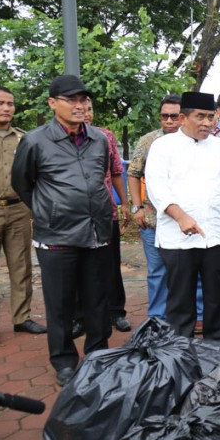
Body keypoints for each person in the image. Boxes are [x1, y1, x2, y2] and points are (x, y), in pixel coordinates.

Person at [11, 75, 113, 386]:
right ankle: (64, 361)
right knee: (60, 304)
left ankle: (98, 355)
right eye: (72, 100)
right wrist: (49, 210)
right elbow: (22, 182)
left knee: (97, 301)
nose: (80, 106)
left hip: (96, 232)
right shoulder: (35, 141)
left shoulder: (99, 139)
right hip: (56, 236)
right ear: (53, 103)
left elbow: (99, 175)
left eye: (84, 100)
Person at [144, 91, 220, 343]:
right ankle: (179, 352)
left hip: (217, 235)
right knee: (180, 302)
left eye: (211, 117)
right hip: (178, 239)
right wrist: (180, 217)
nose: (207, 123)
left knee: (219, 300)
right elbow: (156, 188)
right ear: (183, 118)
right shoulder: (163, 147)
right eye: (200, 117)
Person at [127, 95, 204, 323]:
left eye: (174, 116)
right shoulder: (149, 141)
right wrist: (136, 207)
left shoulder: (198, 141)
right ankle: (157, 320)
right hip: (154, 220)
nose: (169, 121)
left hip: (190, 220)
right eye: (164, 116)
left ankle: (199, 315)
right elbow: (133, 174)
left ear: (183, 117)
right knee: (158, 271)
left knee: (195, 270)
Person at [0, 86, 43, 339]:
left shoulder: (23, 139)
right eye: (0, 103)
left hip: (18, 209)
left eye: (10, 104)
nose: (6, 108)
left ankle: (21, 318)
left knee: (21, 266)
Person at [84, 101, 131, 332]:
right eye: (81, 109)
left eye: (89, 109)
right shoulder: (55, 140)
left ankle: (116, 312)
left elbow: (116, 172)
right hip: (74, 216)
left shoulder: (105, 136)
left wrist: (125, 203)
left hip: (105, 211)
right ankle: (80, 317)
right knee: (78, 267)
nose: (86, 114)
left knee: (111, 264)